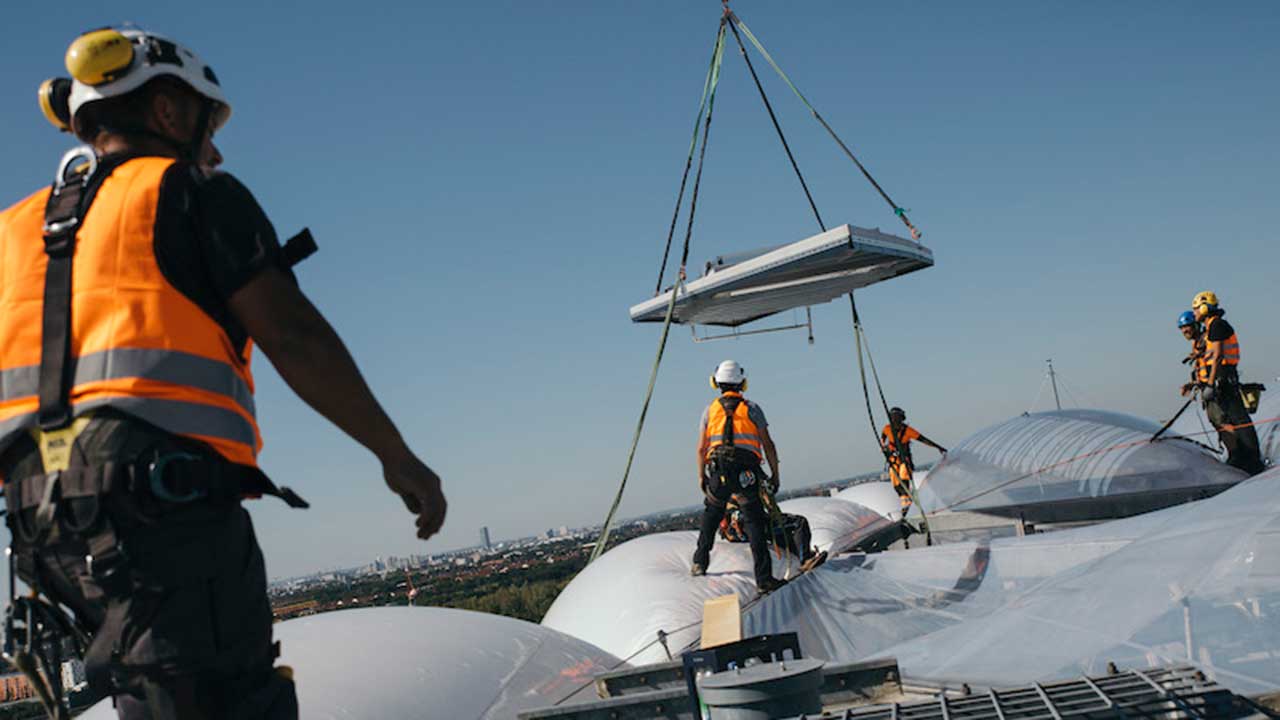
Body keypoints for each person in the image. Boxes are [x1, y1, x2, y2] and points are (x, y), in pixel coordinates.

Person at [0, 27, 445, 719]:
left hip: (41, 529)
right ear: (170, 112)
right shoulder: (186, 191)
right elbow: (293, 336)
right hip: (161, 508)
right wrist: (397, 456)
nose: (217, 149)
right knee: (226, 701)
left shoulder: (12, 232)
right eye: (210, 124)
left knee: (155, 698)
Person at [691, 360, 784, 594]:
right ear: (743, 383)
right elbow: (768, 444)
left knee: (711, 516)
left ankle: (699, 562)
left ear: (716, 383)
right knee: (754, 522)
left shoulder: (709, 411)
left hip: (719, 470)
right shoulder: (752, 408)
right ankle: (763, 579)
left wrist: (701, 475)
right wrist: (775, 474)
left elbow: (702, 448)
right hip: (746, 473)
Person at [1185, 291, 1264, 474]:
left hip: (1223, 377)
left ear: (1205, 307)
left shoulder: (1217, 325)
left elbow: (1219, 355)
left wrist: (1211, 384)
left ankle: (1252, 460)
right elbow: (1213, 353)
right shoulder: (1213, 325)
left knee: (1239, 418)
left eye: (1196, 308)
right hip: (1223, 376)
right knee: (1234, 418)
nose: (1195, 312)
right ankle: (1246, 458)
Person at [718, 499, 827, 572]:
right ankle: (805, 560)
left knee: (784, 535)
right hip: (756, 526)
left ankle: (800, 555)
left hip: (751, 528)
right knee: (799, 522)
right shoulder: (742, 484)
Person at [881, 407, 946, 512]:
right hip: (893, 459)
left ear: (901, 419)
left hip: (904, 458)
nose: (895, 420)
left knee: (903, 475)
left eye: (897, 418)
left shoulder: (908, 431)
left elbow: (924, 439)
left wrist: (938, 447)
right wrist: (884, 447)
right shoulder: (887, 429)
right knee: (895, 480)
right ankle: (904, 501)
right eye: (893, 418)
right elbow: (883, 437)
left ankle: (907, 501)